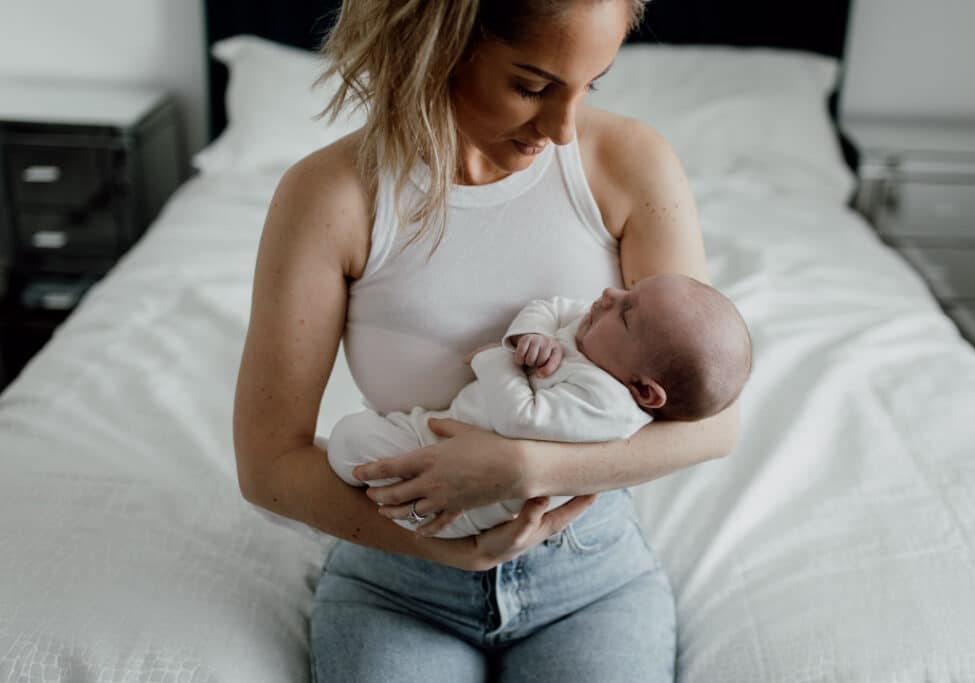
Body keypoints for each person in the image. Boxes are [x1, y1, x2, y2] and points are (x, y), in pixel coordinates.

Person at [232, 1, 745, 680]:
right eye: (531, 86)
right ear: (435, 44)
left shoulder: (630, 162)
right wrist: (446, 550)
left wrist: (527, 469)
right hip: (396, 582)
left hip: (590, 581)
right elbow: (269, 464)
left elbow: (714, 423)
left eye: (591, 86)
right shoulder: (331, 196)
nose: (564, 129)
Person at [328, 273, 752, 539]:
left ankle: (390, 507)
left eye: (626, 312)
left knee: (349, 443)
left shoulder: (608, 405)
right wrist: (531, 335)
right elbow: (550, 308)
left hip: (469, 505)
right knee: (354, 438)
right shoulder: (593, 331)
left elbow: (522, 419)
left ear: (643, 390)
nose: (609, 293)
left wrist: (493, 358)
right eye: (630, 288)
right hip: (440, 430)